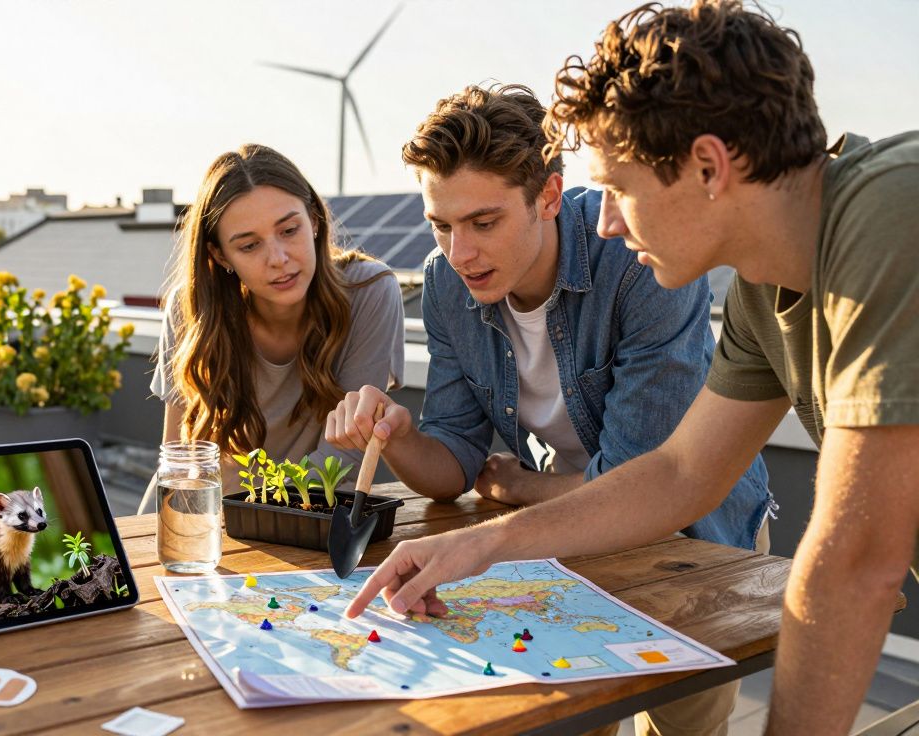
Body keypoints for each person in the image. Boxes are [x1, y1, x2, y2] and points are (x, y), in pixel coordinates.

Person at [342, 3, 919, 734]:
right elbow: (679, 474)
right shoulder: (759, 293)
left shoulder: (893, 211)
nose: (606, 220)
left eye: (618, 189)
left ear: (708, 166)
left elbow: (856, 561)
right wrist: (479, 543)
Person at [326, 82, 771, 736]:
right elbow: (453, 458)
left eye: (484, 222)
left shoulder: (636, 258)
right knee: (571, 722)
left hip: (693, 537)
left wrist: (526, 487)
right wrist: (395, 436)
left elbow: (644, 480)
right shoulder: (447, 283)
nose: (460, 253)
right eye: (441, 224)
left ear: (549, 197)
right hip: (560, 536)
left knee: (681, 730)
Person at [148, 143, 404, 495]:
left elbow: (348, 453)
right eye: (249, 246)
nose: (279, 258)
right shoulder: (189, 306)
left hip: (300, 518)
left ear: (314, 219)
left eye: (288, 230)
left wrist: (257, 511)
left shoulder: (369, 291)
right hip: (201, 518)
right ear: (220, 255)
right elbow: (180, 456)